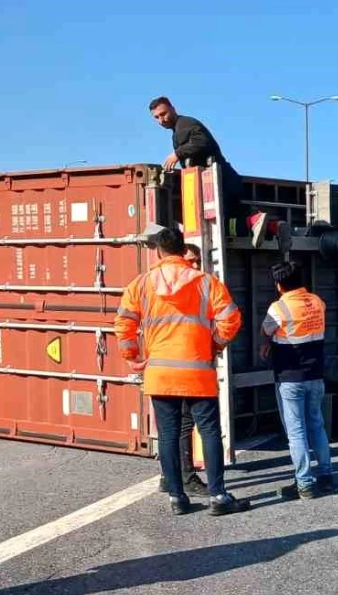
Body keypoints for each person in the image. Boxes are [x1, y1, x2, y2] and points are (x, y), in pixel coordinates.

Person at [117, 226, 249, 516]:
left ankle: (177, 497)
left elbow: (124, 324)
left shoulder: (140, 284)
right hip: (197, 372)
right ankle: (218, 497)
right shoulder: (205, 282)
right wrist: (215, 344)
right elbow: (231, 319)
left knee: (168, 435)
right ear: (182, 250)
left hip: (160, 373)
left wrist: (131, 356)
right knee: (210, 432)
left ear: (158, 251)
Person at [258, 261, 334, 499]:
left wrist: (267, 343)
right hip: (316, 375)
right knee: (317, 425)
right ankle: (326, 476)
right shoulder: (317, 301)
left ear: (279, 285)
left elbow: (266, 330)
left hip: (290, 377)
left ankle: (304, 483)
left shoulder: (278, 307)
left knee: (296, 432)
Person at [156, 242, 210, 498]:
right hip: (186, 368)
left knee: (174, 428)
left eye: (198, 261)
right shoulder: (191, 289)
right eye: (192, 260)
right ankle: (185, 478)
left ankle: (171, 479)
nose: (196, 265)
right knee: (183, 425)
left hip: (166, 368)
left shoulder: (194, 287)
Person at [148, 96, 245, 230]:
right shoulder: (179, 129)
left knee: (222, 226)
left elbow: (202, 141)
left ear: (173, 109)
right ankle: (271, 225)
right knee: (229, 226)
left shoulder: (185, 124)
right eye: (156, 117)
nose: (161, 120)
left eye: (163, 114)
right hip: (222, 181)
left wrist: (177, 154)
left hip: (221, 182)